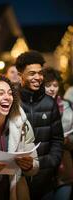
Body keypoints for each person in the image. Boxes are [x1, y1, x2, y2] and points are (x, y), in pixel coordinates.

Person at [15, 50, 64, 200]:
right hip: (17, 179)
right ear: (20, 75)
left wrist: (46, 163)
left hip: (45, 181)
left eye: (40, 73)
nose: (38, 77)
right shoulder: (11, 102)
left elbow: (57, 140)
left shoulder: (50, 103)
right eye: (32, 73)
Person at [44, 67, 73, 200]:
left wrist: (68, 140)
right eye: (48, 85)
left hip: (64, 168)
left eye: (55, 85)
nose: (52, 89)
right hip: (44, 171)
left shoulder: (67, 106)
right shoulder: (37, 107)